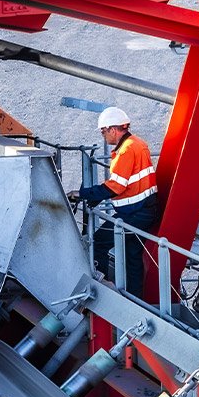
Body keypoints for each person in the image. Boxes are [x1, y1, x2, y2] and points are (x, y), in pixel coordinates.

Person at [67, 107, 158, 296]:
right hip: (143, 210)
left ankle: (103, 289)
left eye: (103, 131)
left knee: (99, 242)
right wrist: (95, 196)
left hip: (134, 213)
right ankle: (135, 297)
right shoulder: (138, 143)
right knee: (132, 256)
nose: (103, 136)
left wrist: (84, 194)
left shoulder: (126, 150)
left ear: (113, 130)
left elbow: (116, 186)